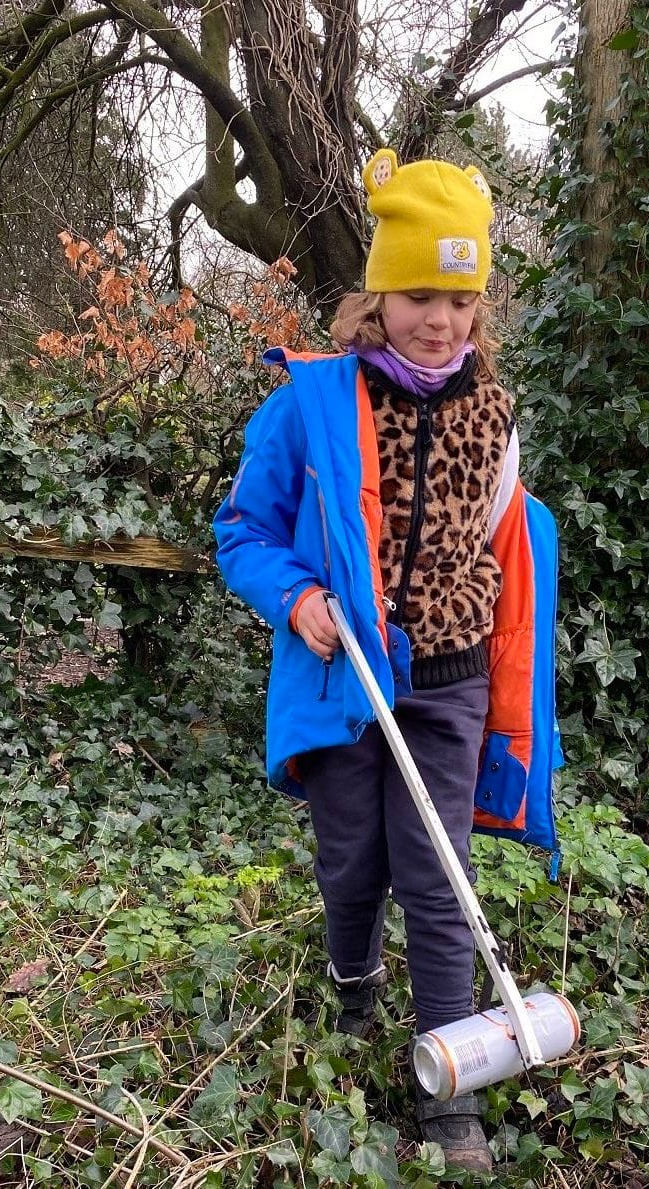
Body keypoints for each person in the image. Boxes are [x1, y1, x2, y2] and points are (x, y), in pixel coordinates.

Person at [214, 148, 562, 1174]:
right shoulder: (311, 406)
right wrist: (299, 595)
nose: (439, 319)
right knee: (353, 856)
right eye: (418, 294)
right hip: (343, 677)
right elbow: (241, 530)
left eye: (459, 297)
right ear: (377, 294)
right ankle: (352, 983)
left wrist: (507, 698)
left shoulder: (490, 417)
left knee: (438, 871)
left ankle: (451, 1077)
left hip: (447, 683)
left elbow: (506, 553)